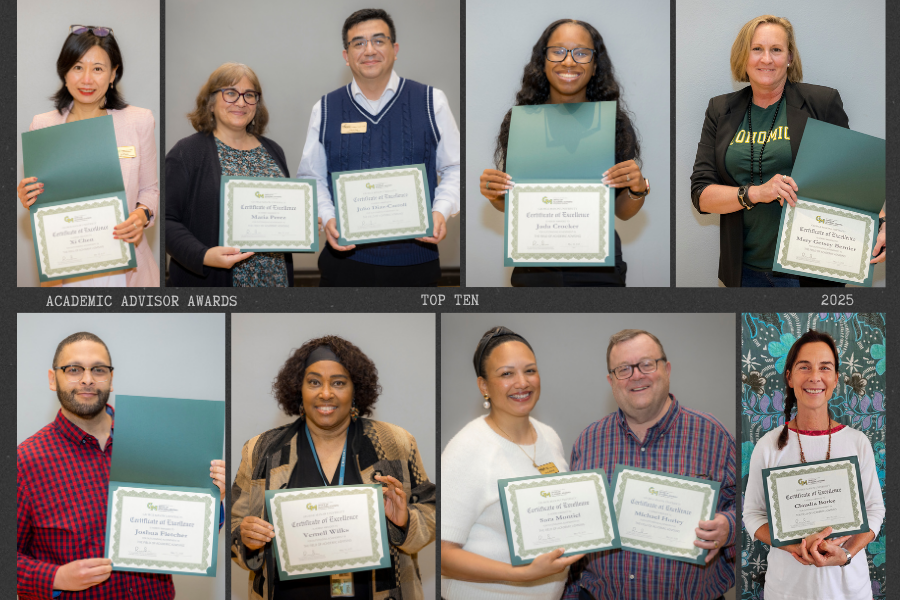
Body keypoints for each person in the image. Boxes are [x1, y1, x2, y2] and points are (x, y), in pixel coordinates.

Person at [16, 332, 226, 599]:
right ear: (52, 378)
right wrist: (56, 578)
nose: (88, 379)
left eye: (99, 370)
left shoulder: (154, 442)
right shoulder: (25, 462)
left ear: (111, 379)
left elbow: (182, 532)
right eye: (73, 369)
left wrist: (211, 499)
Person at [231, 335, 435, 599]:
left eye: (338, 383)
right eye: (314, 382)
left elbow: (431, 510)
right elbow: (235, 525)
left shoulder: (394, 443)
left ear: (356, 389)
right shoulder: (262, 449)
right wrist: (247, 539)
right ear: (298, 389)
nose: (325, 393)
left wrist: (405, 520)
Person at [689, 15, 887, 287]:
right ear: (742, 56)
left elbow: (851, 179)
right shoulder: (720, 110)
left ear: (790, 58)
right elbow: (701, 195)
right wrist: (756, 193)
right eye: (756, 49)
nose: (766, 59)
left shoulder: (822, 103)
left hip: (810, 271)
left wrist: (885, 222)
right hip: (744, 271)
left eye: (777, 50)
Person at [564, 329, 736, 599]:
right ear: (611, 381)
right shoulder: (588, 441)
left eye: (646, 364)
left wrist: (729, 526)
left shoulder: (715, 436)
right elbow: (573, 531)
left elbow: (751, 507)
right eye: (623, 369)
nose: (636, 375)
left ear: (666, 369)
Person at [297, 8, 461, 287]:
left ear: (395, 49)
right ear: (346, 56)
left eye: (378, 40)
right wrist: (328, 216)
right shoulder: (325, 108)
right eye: (358, 43)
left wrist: (440, 210)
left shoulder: (432, 101)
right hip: (344, 264)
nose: (369, 50)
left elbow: (455, 167)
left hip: (416, 262)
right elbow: (312, 176)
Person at [480, 19, 649, 287]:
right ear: (543, 60)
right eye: (558, 51)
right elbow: (514, 205)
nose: (569, 62)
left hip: (599, 266)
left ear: (595, 66)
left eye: (581, 53)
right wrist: (495, 194)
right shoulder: (520, 122)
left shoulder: (613, 123)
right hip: (534, 264)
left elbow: (622, 212)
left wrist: (637, 189)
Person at [441, 326, 583, 599]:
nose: (522, 382)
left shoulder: (549, 436)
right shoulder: (467, 448)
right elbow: (443, 555)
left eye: (530, 370)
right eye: (507, 374)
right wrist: (522, 574)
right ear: (483, 385)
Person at [743, 330, 884, 600]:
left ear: (835, 379)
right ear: (790, 377)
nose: (814, 377)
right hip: (787, 590)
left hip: (849, 590)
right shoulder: (768, 446)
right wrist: (793, 546)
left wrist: (846, 554)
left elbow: (875, 510)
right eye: (804, 367)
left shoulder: (858, 442)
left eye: (824, 368)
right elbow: (753, 515)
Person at [17, 26, 159, 287]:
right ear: (65, 72)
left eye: (98, 69)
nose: (86, 80)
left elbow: (150, 190)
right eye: (78, 67)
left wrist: (141, 216)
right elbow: (42, 202)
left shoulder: (139, 121)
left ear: (113, 73)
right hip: (65, 266)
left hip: (126, 267)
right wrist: (29, 196)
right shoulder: (43, 126)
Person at [166, 63, 295, 287]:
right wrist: (203, 256)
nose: (241, 102)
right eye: (231, 93)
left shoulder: (274, 150)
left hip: (275, 282)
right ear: (211, 103)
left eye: (249, 95)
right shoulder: (187, 153)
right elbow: (166, 221)